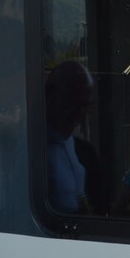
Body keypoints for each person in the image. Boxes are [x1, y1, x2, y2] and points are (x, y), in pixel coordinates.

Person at [44, 61, 105, 214]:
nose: (78, 114)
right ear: (50, 96)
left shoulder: (85, 152)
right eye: (71, 102)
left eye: (84, 106)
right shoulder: (28, 149)